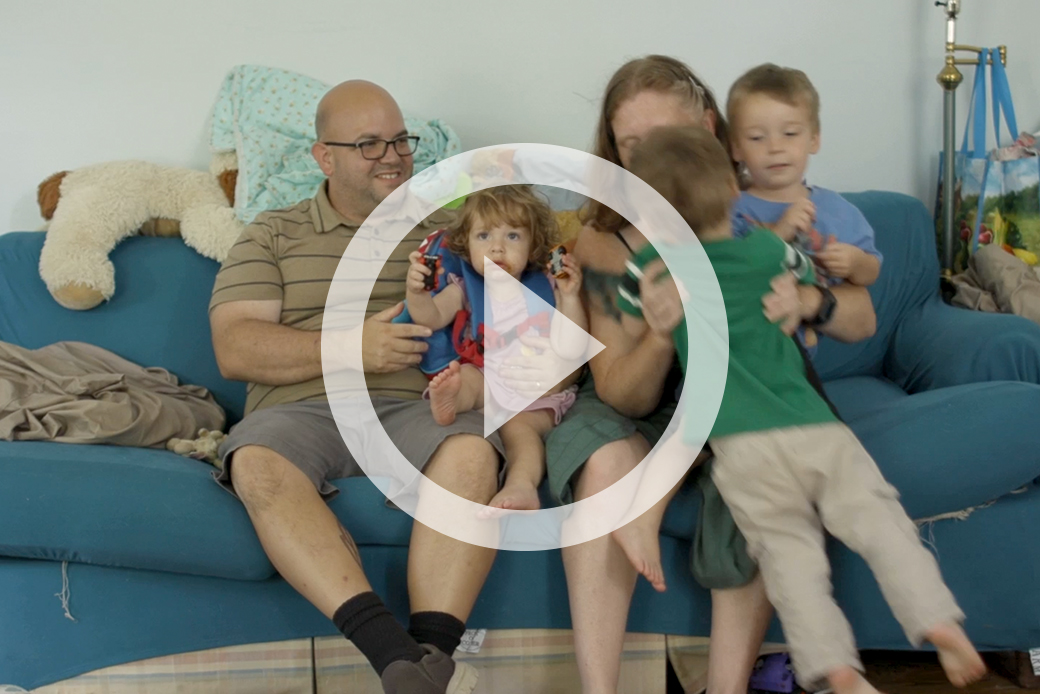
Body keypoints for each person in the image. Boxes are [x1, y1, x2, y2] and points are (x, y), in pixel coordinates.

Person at [541, 55, 878, 694]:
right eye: (634, 147)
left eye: (671, 141)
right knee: (603, 459)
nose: (652, 164)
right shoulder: (605, 235)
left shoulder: (763, 209)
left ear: (710, 128)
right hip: (648, 400)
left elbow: (860, 315)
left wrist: (811, 301)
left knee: (766, 473)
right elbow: (619, 390)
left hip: (746, 396)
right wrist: (667, 328)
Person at [623, 124, 986, 694]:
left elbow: (643, 284)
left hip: (742, 449)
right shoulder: (770, 251)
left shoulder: (657, 270)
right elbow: (808, 271)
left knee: (791, 561)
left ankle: (836, 668)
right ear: (730, 190)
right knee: (881, 524)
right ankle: (938, 622)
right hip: (815, 426)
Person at [208, 80, 492, 694]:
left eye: (399, 140)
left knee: (473, 454)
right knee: (255, 463)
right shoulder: (272, 234)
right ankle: (393, 655)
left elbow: (516, 315)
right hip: (301, 412)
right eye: (368, 144)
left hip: (415, 407)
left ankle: (425, 666)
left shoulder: (452, 229)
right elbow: (235, 347)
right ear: (324, 157)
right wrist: (349, 348)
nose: (392, 155)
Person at [403, 185, 584, 512]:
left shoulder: (549, 285)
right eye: (483, 236)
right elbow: (431, 316)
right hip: (487, 376)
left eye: (513, 236)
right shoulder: (463, 287)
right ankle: (452, 400)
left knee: (519, 429)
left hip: (535, 392)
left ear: (533, 246)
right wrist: (416, 293)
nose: (497, 248)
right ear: (465, 245)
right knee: (468, 377)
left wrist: (570, 297)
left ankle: (522, 485)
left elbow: (572, 348)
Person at [727, 63, 881, 348]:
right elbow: (730, 273)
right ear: (736, 148)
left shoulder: (837, 210)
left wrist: (854, 262)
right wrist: (778, 230)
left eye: (790, 133)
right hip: (744, 354)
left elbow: (871, 270)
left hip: (797, 369)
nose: (775, 147)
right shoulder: (732, 209)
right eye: (757, 138)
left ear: (814, 138)